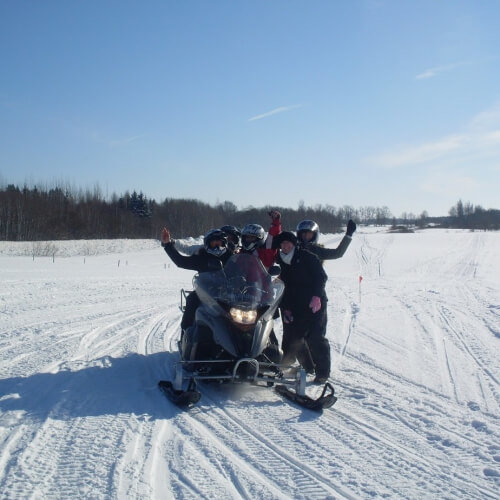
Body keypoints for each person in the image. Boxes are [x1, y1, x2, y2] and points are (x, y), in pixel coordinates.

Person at [273, 231, 330, 383]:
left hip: (314, 303)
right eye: (283, 244)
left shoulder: (307, 257)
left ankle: (322, 373)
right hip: (295, 305)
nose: (285, 246)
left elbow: (321, 277)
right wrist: (285, 308)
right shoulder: (281, 260)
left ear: (294, 244)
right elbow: (283, 286)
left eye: (288, 243)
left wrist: (317, 296)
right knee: (295, 338)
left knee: (315, 337)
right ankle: (308, 367)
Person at [161, 227, 233, 334]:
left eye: (220, 242)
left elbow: (242, 269)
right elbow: (181, 261)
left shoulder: (231, 257)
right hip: (206, 292)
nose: (217, 245)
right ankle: (187, 331)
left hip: (229, 292)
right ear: (208, 244)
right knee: (192, 299)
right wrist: (168, 245)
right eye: (214, 242)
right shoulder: (202, 257)